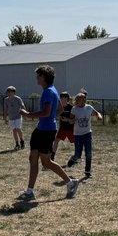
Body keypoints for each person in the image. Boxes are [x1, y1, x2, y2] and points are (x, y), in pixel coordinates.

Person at [17, 66, 80, 201]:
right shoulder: (52, 90)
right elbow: (60, 109)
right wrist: (51, 119)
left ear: (44, 77)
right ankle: (30, 191)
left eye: (38, 76)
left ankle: (70, 182)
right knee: (32, 158)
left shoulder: (48, 92)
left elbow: (46, 112)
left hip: (46, 131)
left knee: (46, 162)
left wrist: (28, 114)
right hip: (41, 129)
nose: (36, 78)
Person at [65, 90, 102, 177]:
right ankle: (73, 159)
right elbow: (71, 120)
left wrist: (99, 116)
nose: (76, 101)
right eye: (76, 99)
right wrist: (71, 120)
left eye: (78, 99)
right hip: (77, 135)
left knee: (88, 153)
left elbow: (97, 113)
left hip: (87, 133)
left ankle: (87, 172)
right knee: (78, 155)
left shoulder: (89, 108)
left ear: (84, 100)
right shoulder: (74, 109)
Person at [53, 91, 75, 159]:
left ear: (66, 98)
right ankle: (52, 156)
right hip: (62, 128)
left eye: (62, 97)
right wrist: (58, 116)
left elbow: (73, 120)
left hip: (70, 129)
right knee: (56, 141)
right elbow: (56, 116)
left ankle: (77, 156)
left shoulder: (71, 108)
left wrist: (67, 120)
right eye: (61, 97)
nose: (61, 99)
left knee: (76, 142)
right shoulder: (59, 107)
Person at [3, 86, 25, 150]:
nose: (9, 93)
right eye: (8, 92)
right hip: (11, 117)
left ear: (14, 92)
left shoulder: (18, 99)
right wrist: (5, 118)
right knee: (14, 131)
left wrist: (25, 115)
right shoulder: (6, 100)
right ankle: (17, 143)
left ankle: (22, 142)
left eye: (10, 92)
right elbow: (5, 109)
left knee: (18, 129)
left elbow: (22, 106)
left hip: (18, 116)